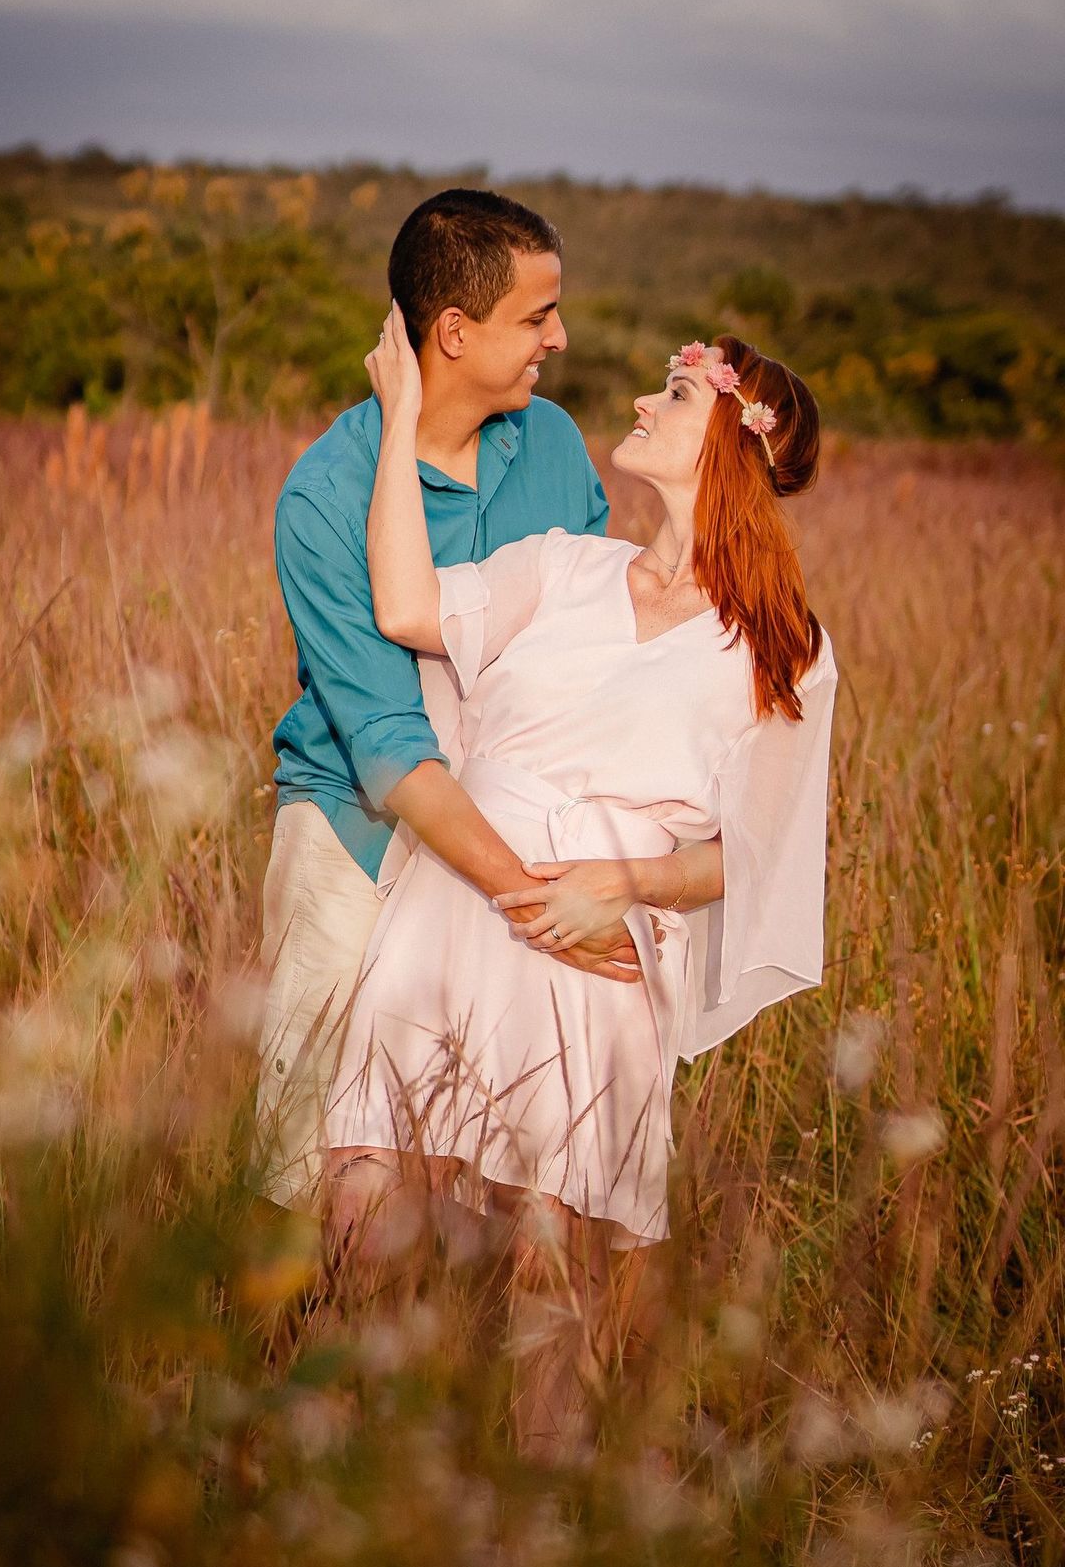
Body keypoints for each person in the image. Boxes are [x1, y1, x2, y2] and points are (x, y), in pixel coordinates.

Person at [322, 313, 838, 1458]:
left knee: (548, 1237)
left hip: (598, 942)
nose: (648, 404)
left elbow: (757, 857)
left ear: (732, 449)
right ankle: (344, 1468)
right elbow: (408, 610)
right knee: (362, 1191)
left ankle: (546, 1508)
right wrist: (404, 413)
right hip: (456, 904)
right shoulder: (562, 566)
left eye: (678, 397)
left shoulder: (782, 646)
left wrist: (623, 882)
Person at [253, 189, 722, 1214]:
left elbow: (593, 652)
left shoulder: (547, 441)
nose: (561, 337)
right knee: (318, 1176)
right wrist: (541, 907)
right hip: (364, 842)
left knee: (484, 1163)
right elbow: (391, 751)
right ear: (455, 332)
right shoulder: (328, 496)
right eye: (538, 317)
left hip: (515, 835)